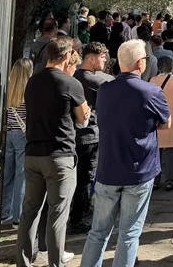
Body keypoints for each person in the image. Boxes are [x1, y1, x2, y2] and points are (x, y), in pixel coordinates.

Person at [80, 40, 171, 267]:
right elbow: (166, 123)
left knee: (97, 232)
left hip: (108, 168)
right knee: (129, 233)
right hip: (138, 170)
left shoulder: (104, 90)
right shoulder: (151, 91)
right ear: (140, 63)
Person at [16, 38, 89, 267]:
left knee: (30, 213)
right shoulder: (70, 83)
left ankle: (24, 262)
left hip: (33, 153)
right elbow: (82, 117)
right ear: (67, 57)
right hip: (60, 154)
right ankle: (56, 263)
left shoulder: (33, 82)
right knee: (58, 215)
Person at [69, 43, 112, 233]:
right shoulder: (98, 83)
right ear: (92, 58)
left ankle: (74, 212)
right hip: (89, 136)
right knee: (86, 178)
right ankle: (79, 217)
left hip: (71, 135)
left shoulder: (72, 77)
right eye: (103, 57)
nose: (106, 61)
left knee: (74, 177)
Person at [149, 55, 173, 191]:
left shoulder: (152, 81)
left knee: (156, 151)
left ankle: (155, 180)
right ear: (172, 66)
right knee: (172, 152)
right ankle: (170, 181)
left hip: (156, 120)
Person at [2, 58, 34, 226]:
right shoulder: (29, 91)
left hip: (9, 132)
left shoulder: (8, 89)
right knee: (21, 176)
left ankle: (3, 211)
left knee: (7, 174)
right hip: (23, 134)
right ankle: (17, 215)